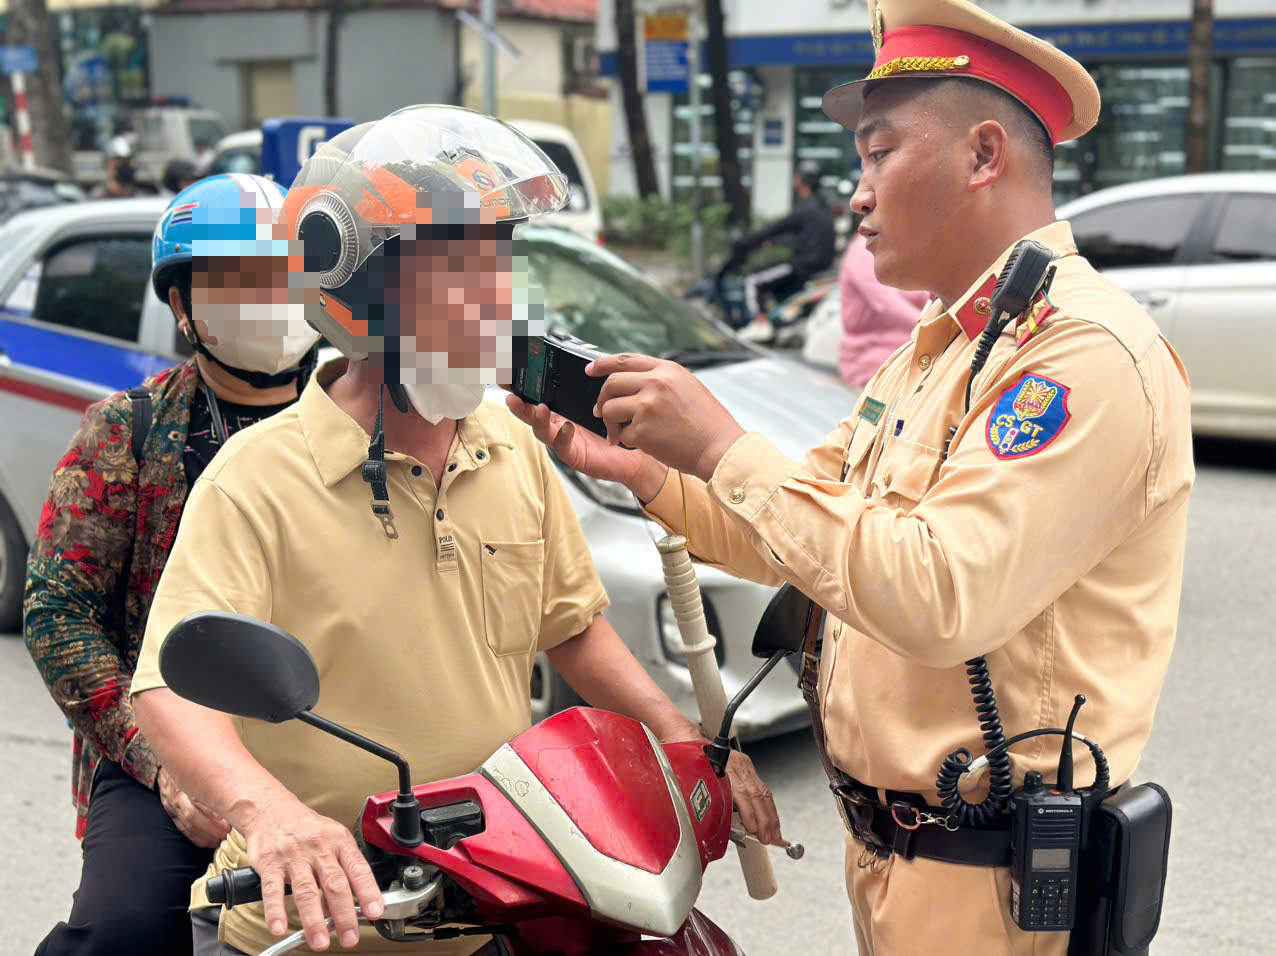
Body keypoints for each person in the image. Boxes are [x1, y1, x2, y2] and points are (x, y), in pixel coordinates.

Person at [507, 0, 1195, 952]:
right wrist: (652, 474)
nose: (855, 193)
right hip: (897, 859)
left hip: (997, 888)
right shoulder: (941, 346)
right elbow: (798, 531)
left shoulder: (1083, 356)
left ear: (983, 155)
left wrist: (717, 446)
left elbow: (939, 592)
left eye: (877, 154)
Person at [128, 105, 781, 956]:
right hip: (308, 931)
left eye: (501, 266)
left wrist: (682, 738)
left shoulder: (510, 447)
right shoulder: (260, 477)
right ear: (357, 293)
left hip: (496, 907)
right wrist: (273, 814)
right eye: (460, 273)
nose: (497, 302)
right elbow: (168, 690)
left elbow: (571, 627)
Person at [24, 173, 320, 956]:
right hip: (161, 740)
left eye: (285, 273)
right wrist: (160, 764)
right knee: (123, 930)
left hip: (332, 731)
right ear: (183, 306)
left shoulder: (364, 427)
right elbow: (58, 613)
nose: (269, 297)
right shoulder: (127, 432)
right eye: (237, 279)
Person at [735, 159, 835, 343]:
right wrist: (774, 241)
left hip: (801, 265)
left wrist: (745, 241)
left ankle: (760, 324)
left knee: (753, 280)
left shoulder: (804, 208)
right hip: (818, 264)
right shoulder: (821, 207)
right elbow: (801, 235)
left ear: (800, 181)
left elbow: (776, 227)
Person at [836, 232, 929, 388]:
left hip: (911, 351)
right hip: (873, 355)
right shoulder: (864, 249)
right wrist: (932, 327)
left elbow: (927, 293)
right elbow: (886, 304)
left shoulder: (903, 245)